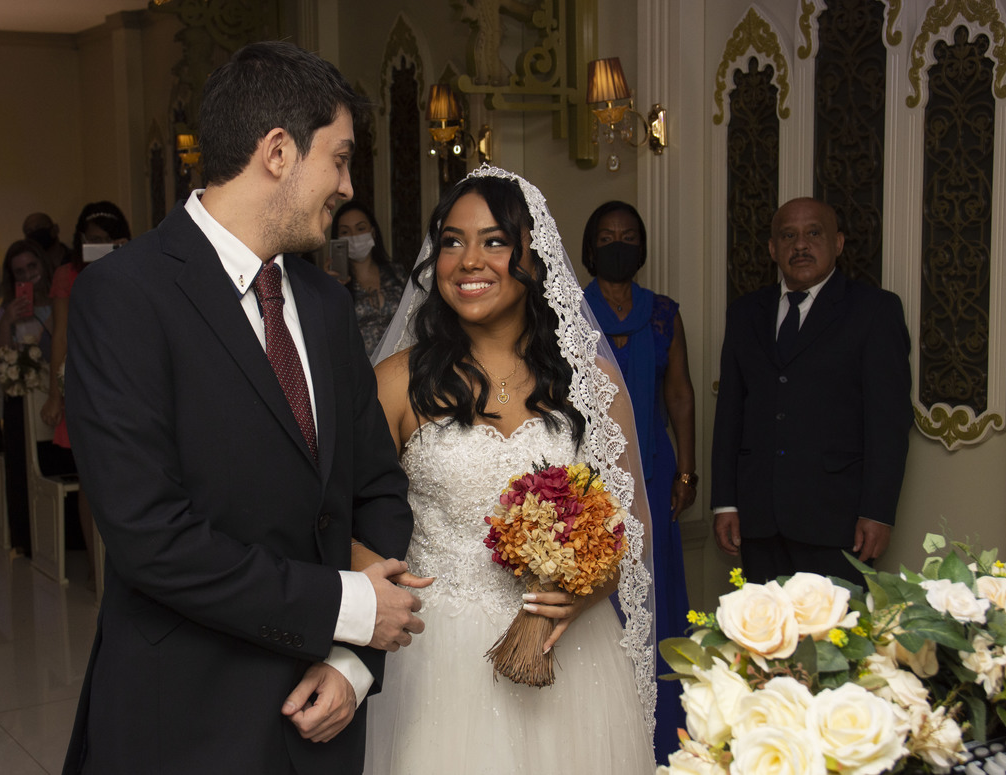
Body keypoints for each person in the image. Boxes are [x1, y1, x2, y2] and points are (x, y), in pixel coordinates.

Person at [60, 41, 423, 775]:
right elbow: (149, 535)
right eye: (341, 158)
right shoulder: (124, 296)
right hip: (186, 721)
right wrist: (347, 609)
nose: (349, 187)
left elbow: (376, 486)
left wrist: (354, 664)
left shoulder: (322, 302)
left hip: (322, 715)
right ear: (279, 152)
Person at [365, 166, 656, 773]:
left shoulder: (592, 387)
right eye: (452, 241)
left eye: (495, 241)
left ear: (534, 256)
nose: (470, 260)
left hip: (572, 653)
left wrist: (583, 591)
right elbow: (345, 513)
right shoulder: (396, 384)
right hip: (434, 653)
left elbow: (626, 531)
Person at [711, 197, 912, 584]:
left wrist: (879, 512)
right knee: (763, 642)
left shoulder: (874, 311)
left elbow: (889, 423)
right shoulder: (745, 313)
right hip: (759, 521)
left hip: (838, 522)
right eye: (788, 235)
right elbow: (730, 414)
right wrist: (725, 502)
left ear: (837, 243)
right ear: (773, 248)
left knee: (834, 642)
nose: (800, 245)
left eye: (813, 233)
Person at [581, 200, 693, 760]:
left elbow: (679, 393)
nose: (617, 244)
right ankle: (611, 721)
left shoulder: (663, 314)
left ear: (641, 247)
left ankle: (665, 726)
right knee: (605, 594)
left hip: (655, 470)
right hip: (590, 479)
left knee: (657, 591)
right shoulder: (568, 311)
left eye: (627, 235)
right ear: (589, 246)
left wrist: (688, 468)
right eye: (606, 236)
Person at [41, 200, 131, 588]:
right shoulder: (67, 274)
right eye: (91, 239)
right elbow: (59, 334)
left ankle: (128, 566)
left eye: (106, 241)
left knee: (129, 476)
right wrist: (54, 393)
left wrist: (125, 260)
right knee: (88, 477)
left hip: (127, 376)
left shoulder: (134, 265)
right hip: (82, 376)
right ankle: (96, 566)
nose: (97, 246)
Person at [0, 239, 58, 556]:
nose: (28, 276)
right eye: (20, 272)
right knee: (16, 420)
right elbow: (1, 357)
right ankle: (26, 536)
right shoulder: (7, 311)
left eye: (32, 267)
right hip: (23, 393)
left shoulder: (61, 302)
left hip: (58, 389)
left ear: (43, 267)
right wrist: (7, 321)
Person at [331, 200, 406, 354]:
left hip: (400, 363)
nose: (354, 236)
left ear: (372, 232)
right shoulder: (332, 283)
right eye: (345, 232)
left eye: (360, 228)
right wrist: (329, 288)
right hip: (359, 369)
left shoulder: (397, 273)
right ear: (337, 239)